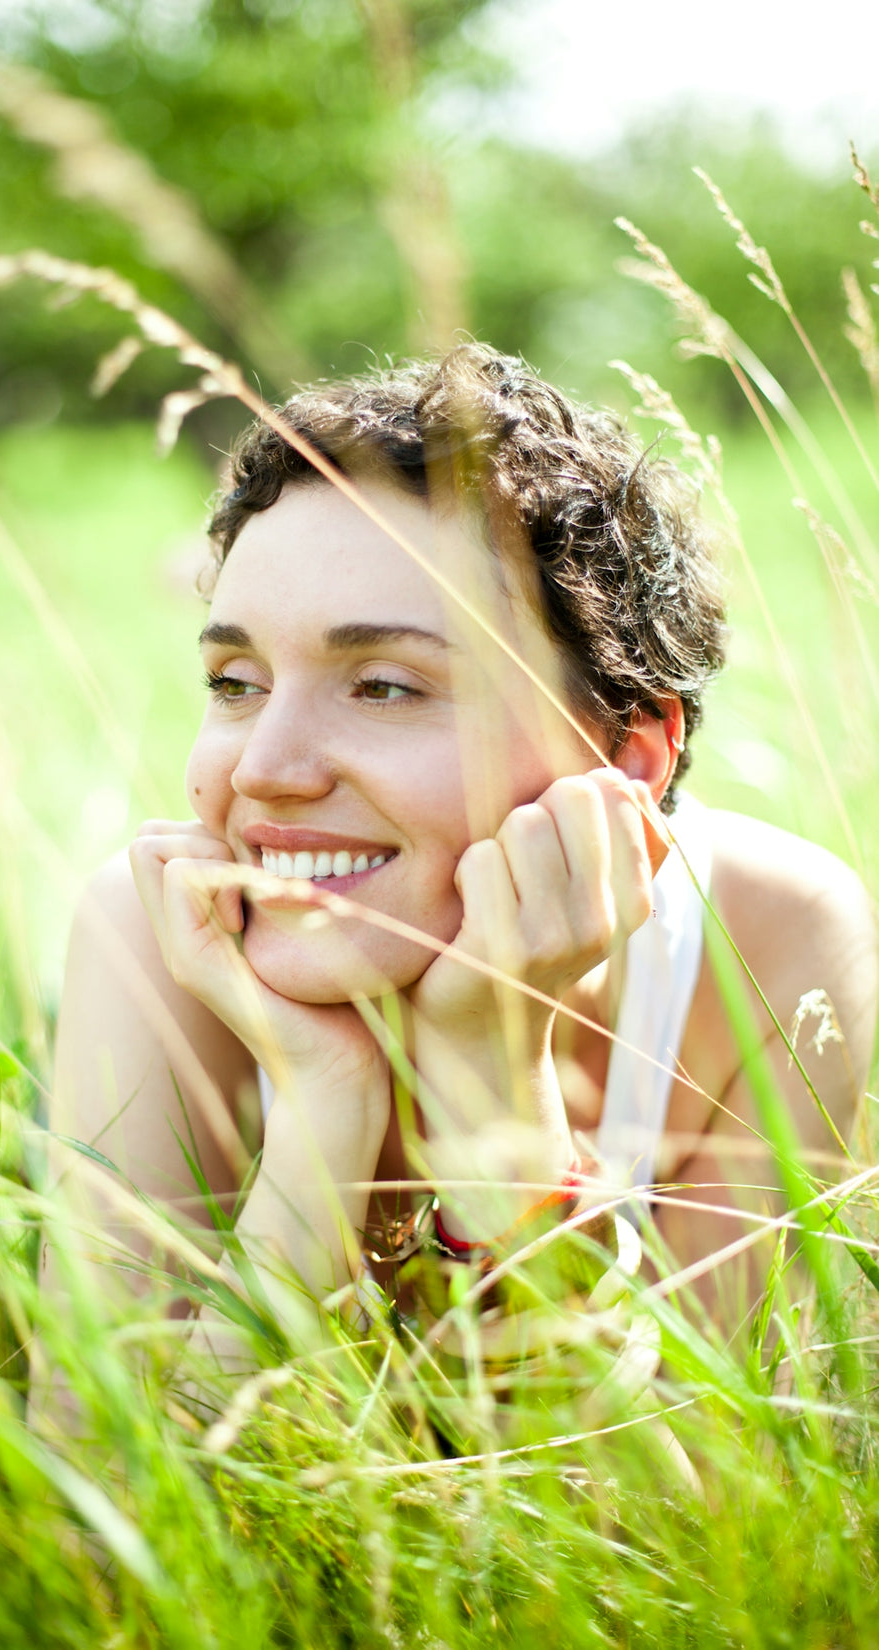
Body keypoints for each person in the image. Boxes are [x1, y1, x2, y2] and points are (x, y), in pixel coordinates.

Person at [48, 345, 876, 1383]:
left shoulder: (769, 945)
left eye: (385, 687)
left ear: (625, 758)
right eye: (234, 681)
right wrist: (317, 1117)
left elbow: (678, 1517)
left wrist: (494, 1083)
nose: (264, 770)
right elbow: (99, 1512)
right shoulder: (157, 933)